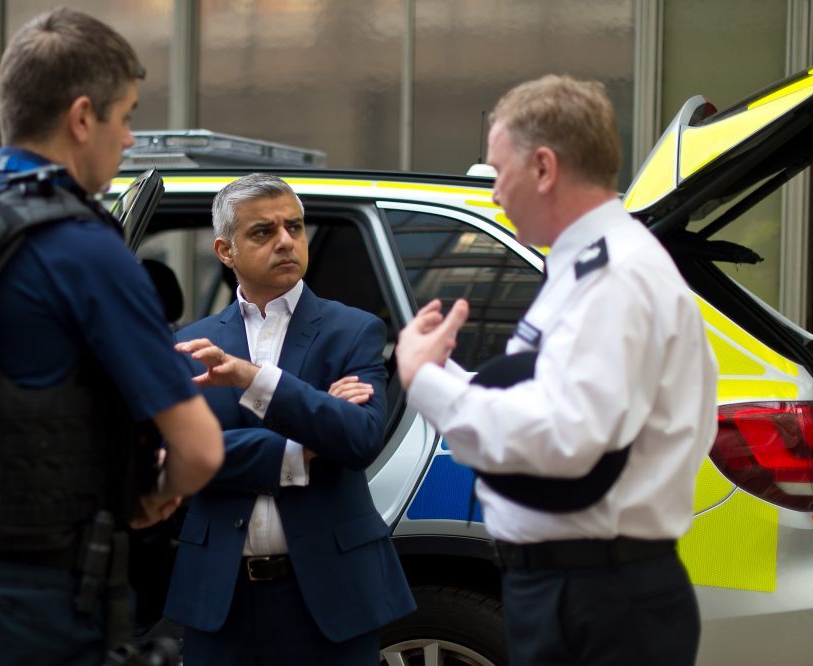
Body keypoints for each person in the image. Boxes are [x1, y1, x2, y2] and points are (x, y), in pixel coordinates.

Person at [0, 8, 223, 666]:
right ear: (83, 118)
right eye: (127, 116)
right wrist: (154, 497)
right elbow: (199, 449)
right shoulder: (82, 248)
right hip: (34, 593)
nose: (130, 139)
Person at [394, 75, 718, 666]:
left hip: (596, 596)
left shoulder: (613, 275)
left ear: (543, 168)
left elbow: (565, 437)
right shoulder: (589, 268)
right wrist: (445, 375)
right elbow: (552, 401)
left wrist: (427, 383)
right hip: (584, 589)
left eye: (497, 171)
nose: (492, 192)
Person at [163, 173, 414, 665]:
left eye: (294, 227)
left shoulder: (353, 330)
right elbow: (178, 456)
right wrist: (305, 446)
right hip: (220, 596)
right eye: (263, 231)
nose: (286, 241)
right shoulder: (191, 344)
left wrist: (255, 381)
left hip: (331, 594)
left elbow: (360, 439)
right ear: (225, 250)